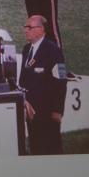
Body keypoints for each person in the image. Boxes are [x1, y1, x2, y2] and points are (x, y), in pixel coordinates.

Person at [18, 15, 67, 155]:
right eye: (25, 27)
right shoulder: (27, 49)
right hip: (31, 111)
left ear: (41, 29)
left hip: (48, 112)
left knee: (51, 149)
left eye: (29, 27)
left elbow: (61, 81)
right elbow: (23, 79)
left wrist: (57, 110)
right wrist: (24, 101)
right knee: (36, 147)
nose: (25, 30)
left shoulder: (53, 50)